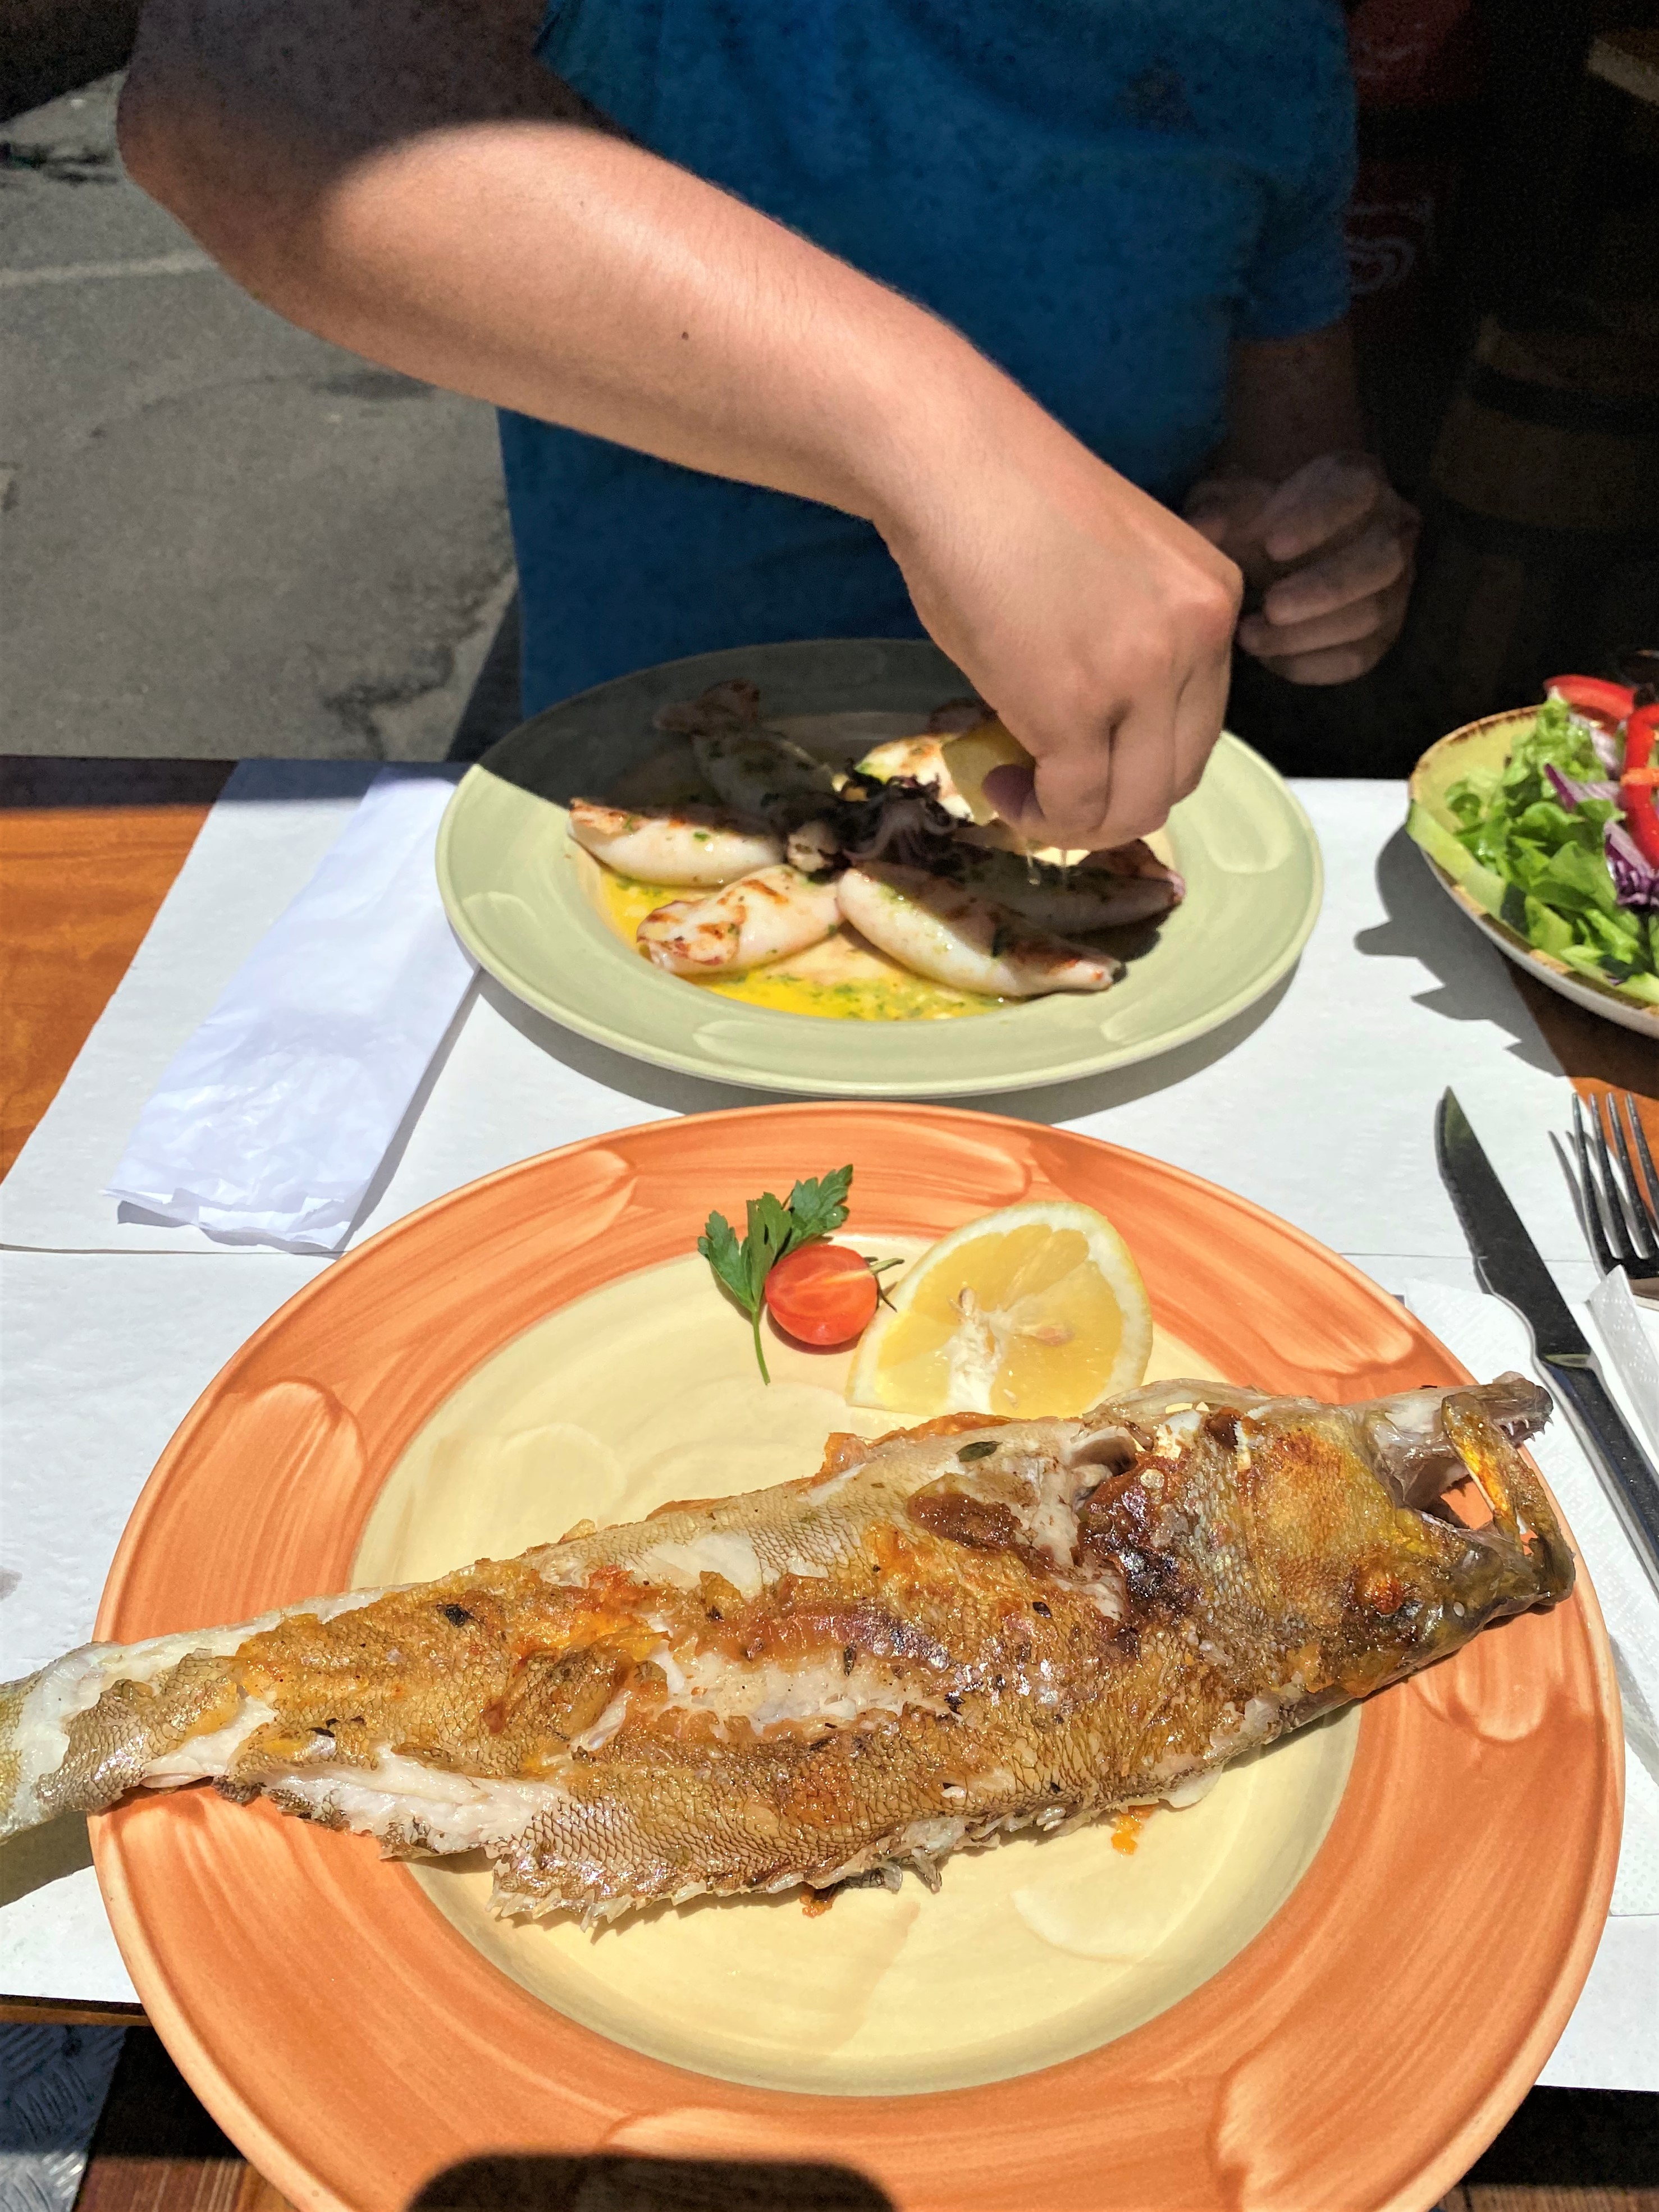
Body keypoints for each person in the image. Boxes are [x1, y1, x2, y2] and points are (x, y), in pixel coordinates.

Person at [117, 0, 1417, 850]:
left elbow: (1282, 475)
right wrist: (938, 441)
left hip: (1085, 851)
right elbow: (229, 81)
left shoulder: (1278, 42)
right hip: (637, 810)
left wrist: (1315, 566)